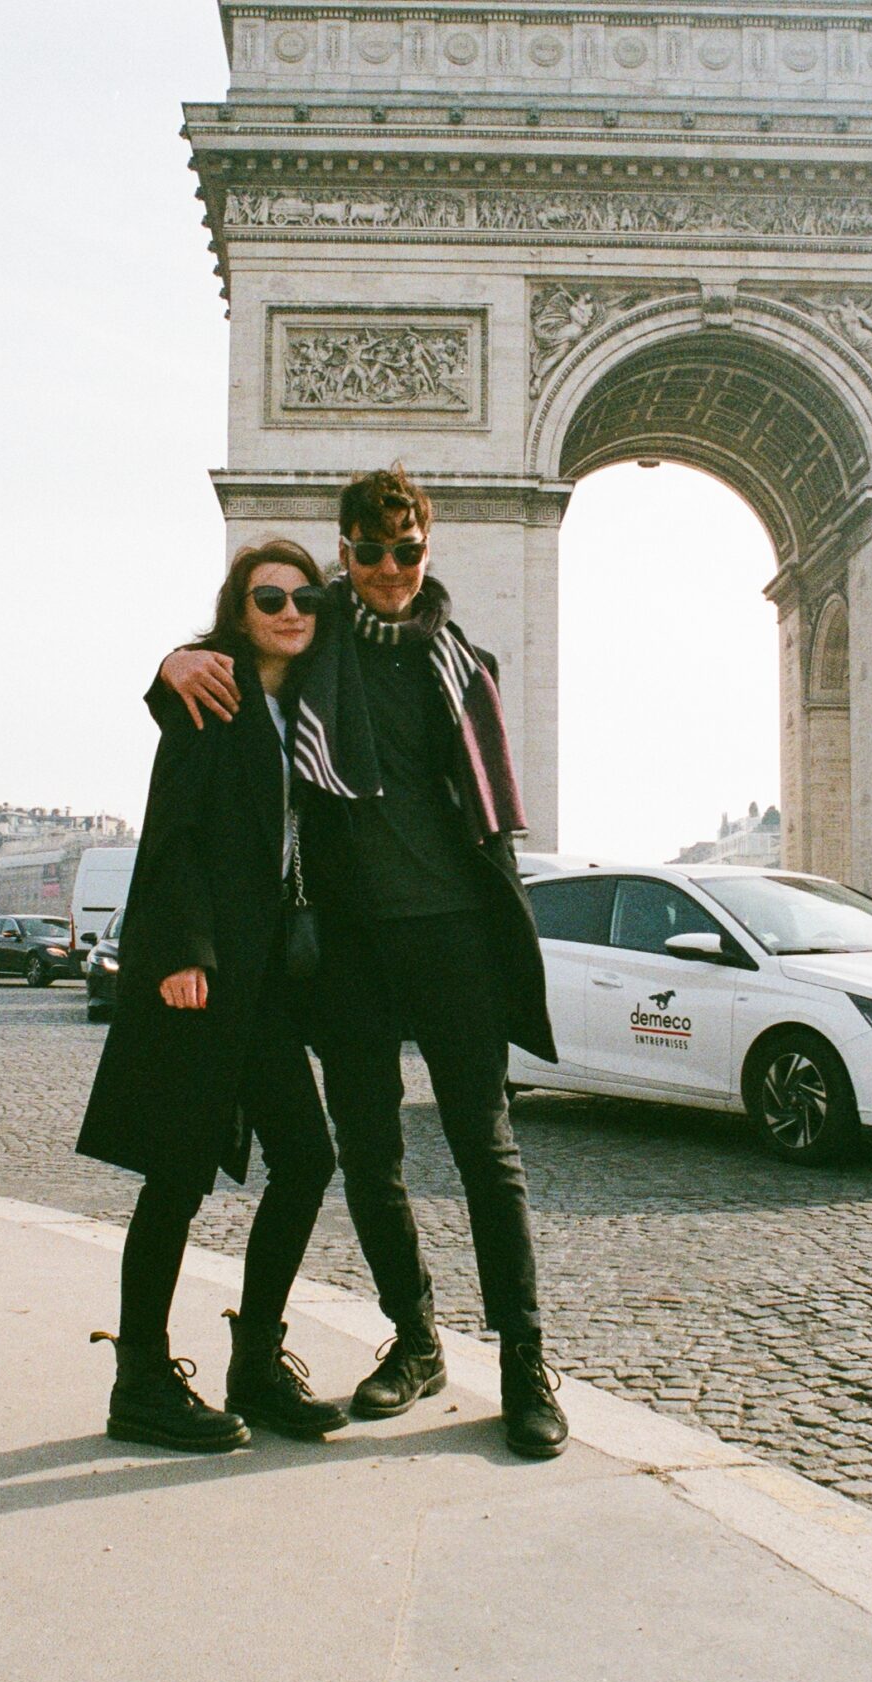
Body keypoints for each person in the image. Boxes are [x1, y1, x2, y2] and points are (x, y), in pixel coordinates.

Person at [157, 468, 568, 1460]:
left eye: (407, 551)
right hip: (349, 945)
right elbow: (233, 646)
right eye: (372, 552)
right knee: (371, 1158)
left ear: (428, 549)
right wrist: (172, 661)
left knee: (485, 1151)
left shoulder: (464, 664)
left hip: (455, 933)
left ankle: (525, 1362)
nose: (390, 569)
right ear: (343, 550)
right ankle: (416, 1338)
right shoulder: (314, 636)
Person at [79, 541, 346, 1453]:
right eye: (269, 597)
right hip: (203, 976)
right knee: (177, 1173)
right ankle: (141, 1380)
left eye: (305, 597)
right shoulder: (211, 693)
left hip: (266, 983)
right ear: (238, 609)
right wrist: (181, 951)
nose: (291, 611)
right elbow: (174, 831)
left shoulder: (309, 703)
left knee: (306, 1158)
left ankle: (255, 1362)